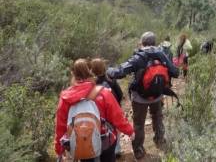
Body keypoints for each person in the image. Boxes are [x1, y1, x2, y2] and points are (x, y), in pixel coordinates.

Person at [107, 32, 179, 160]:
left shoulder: (139, 57)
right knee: (157, 117)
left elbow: (120, 72)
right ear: (154, 42)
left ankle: (139, 150)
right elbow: (175, 72)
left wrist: (107, 70)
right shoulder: (162, 54)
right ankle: (160, 140)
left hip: (140, 97)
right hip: (157, 95)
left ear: (142, 42)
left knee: (139, 124)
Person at [54, 58, 134, 162]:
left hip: (82, 141)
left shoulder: (66, 97)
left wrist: (59, 149)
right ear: (90, 72)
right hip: (106, 139)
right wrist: (130, 131)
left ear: (73, 74)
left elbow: (60, 126)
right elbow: (117, 116)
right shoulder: (103, 92)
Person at [90, 58, 124, 157]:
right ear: (103, 68)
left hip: (97, 113)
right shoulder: (110, 80)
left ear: (91, 69)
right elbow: (120, 94)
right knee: (115, 129)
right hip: (112, 110)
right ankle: (116, 150)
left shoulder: (91, 84)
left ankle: (98, 150)